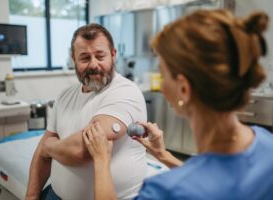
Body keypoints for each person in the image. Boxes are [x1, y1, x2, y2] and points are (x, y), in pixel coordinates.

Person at [82, 9, 273, 200]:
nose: (161, 83)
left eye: (163, 74)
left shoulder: (165, 191)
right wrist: (164, 155)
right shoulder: (266, 144)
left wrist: (101, 161)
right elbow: (213, 181)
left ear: (183, 89)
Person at [25, 23, 148, 200]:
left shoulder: (125, 92)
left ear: (113, 55)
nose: (93, 65)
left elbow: (82, 150)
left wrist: (49, 146)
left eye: (100, 56)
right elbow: (41, 154)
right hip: (55, 195)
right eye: (84, 58)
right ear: (73, 58)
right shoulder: (65, 96)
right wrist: (31, 196)